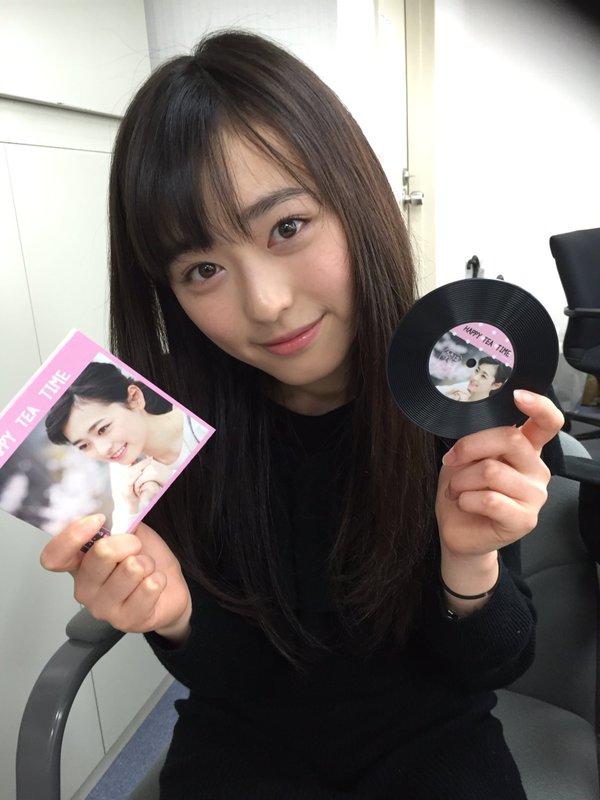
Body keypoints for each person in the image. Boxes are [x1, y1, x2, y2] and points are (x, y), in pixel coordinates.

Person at [39, 29, 566, 799]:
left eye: (287, 228)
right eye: (203, 269)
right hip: (242, 748)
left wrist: (469, 566)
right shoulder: (164, 426)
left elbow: (495, 666)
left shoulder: (455, 387)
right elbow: (228, 686)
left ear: (354, 204)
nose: (266, 303)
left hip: (434, 743)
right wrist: (173, 616)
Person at [45, 361, 206, 532]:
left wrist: (174, 479)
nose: (103, 449)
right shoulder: (123, 472)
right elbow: (120, 537)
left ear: (135, 398)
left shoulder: (199, 424)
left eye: (103, 429)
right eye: (84, 445)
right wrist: (132, 507)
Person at [444, 356, 512, 402]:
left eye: (483, 376)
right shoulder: (459, 389)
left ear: (495, 385)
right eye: (477, 371)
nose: (474, 377)